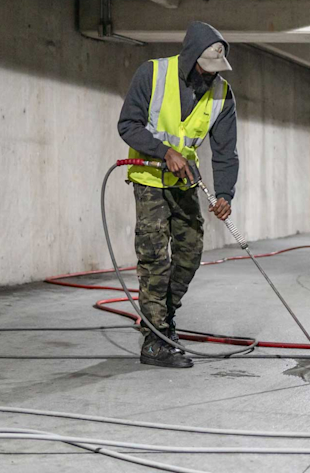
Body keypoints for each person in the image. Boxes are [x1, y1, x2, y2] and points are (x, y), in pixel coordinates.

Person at [118, 21, 239, 368]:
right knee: (155, 259)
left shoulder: (222, 94)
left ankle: (162, 321)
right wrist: (162, 151)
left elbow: (225, 151)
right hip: (151, 177)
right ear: (190, 59)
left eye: (217, 70)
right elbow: (128, 124)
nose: (211, 77)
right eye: (205, 69)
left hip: (185, 181)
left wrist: (225, 194)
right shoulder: (152, 73)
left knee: (189, 251)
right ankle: (155, 340)